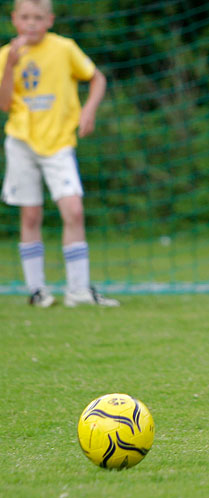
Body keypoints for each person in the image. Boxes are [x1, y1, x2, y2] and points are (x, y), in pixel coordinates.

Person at [0, 0, 119, 307]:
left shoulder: (64, 48)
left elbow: (97, 78)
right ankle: (37, 290)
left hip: (59, 143)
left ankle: (78, 290)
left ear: (49, 19)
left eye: (37, 17)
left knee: (74, 210)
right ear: (14, 19)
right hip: (21, 141)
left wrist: (88, 111)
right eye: (25, 17)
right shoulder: (5, 55)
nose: (31, 23)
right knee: (30, 214)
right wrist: (11, 64)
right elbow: (4, 104)